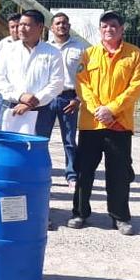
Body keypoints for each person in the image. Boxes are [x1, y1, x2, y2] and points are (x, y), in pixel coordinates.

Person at [67, 11, 140, 236]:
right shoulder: (89, 54)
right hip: (92, 124)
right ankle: (80, 213)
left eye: (113, 26)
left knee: (119, 173)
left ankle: (120, 217)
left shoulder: (134, 54)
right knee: (84, 171)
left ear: (121, 29)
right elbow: (82, 84)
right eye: (104, 26)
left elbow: (136, 86)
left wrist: (112, 109)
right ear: (100, 30)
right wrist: (98, 110)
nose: (108, 29)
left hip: (119, 124)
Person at [0, 10, 64, 137]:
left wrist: (33, 102)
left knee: (35, 146)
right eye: (20, 24)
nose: (21, 29)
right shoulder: (7, 50)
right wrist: (20, 96)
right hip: (10, 106)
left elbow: (57, 83)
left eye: (26, 25)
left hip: (41, 110)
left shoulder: (52, 53)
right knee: (9, 145)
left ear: (40, 27)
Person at [47, 12, 89, 188]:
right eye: (57, 23)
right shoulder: (45, 48)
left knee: (70, 140)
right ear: (51, 28)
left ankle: (71, 174)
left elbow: (86, 76)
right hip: (47, 99)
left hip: (69, 98)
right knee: (42, 138)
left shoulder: (80, 49)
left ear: (69, 26)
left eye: (64, 23)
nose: (61, 26)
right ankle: (43, 172)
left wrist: (78, 98)